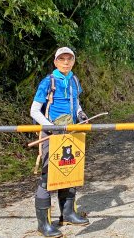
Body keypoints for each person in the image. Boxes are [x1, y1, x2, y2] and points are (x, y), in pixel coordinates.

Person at [30, 47, 90, 237]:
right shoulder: (48, 82)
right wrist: (50, 126)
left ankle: (68, 214)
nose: (66, 62)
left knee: (70, 171)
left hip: (71, 132)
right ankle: (43, 224)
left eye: (69, 59)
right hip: (51, 134)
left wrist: (80, 113)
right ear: (55, 62)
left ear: (73, 61)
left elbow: (76, 101)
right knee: (48, 177)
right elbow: (34, 110)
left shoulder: (74, 79)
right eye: (61, 59)